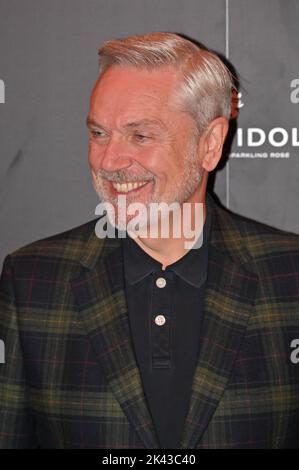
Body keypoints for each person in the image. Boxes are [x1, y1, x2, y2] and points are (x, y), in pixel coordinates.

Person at [0, 32, 298, 449]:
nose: (109, 162)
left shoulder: (290, 276)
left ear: (209, 145)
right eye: (99, 133)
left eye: (140, 136)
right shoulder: (32, 281)